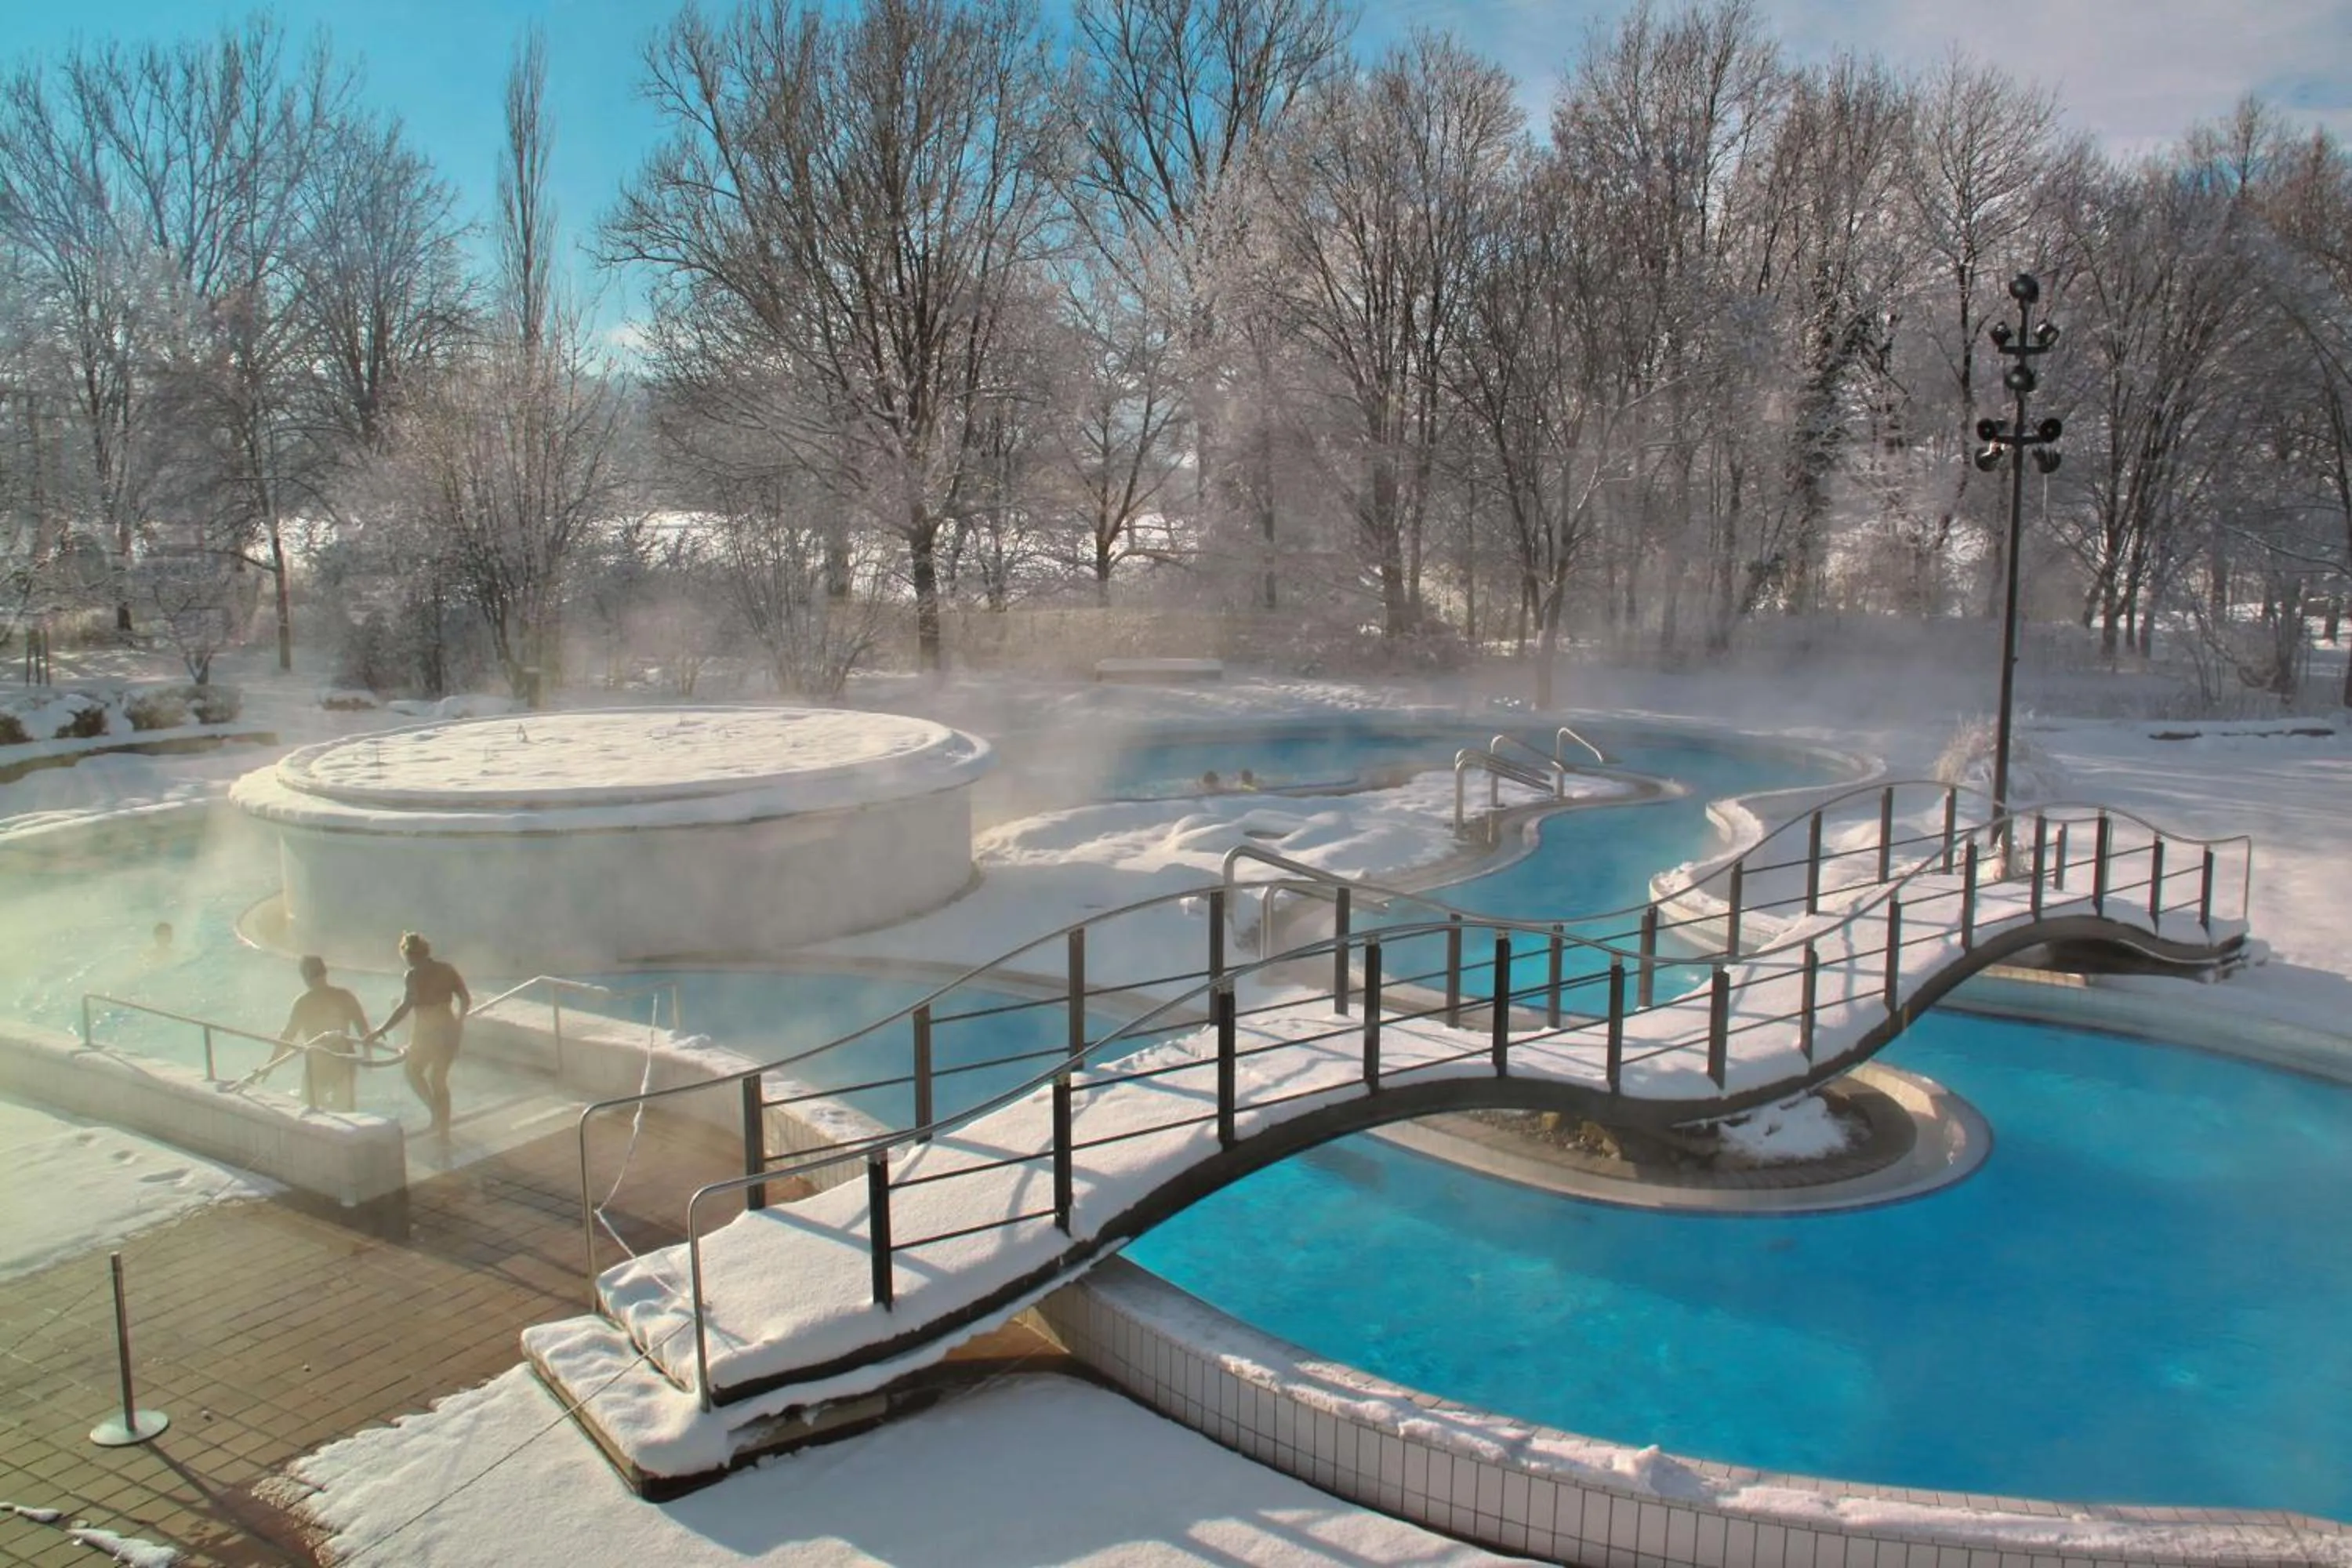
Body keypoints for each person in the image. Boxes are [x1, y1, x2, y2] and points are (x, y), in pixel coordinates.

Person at [368, 932, 470, 1139]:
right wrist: (459, 1022)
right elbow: (465, 998)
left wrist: (381, 1030)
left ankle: (436, 1113)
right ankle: (443, 1129)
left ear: (409, 955)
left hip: (427, 1031)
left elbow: (405, 1007)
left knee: (413, 1072)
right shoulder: (446, 969)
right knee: (438, 1079)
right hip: (448, 1028)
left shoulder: (413, 976)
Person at [281, 955, 370, 1112]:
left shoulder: (303, 1003)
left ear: (304, 977)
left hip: (318, 1063)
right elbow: (364, 1031)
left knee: (309, 1112)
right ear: (325, 972)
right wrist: (368, 1057)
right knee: (346, 1114)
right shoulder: (345, 996)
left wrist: (269, 1065)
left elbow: (287, 1037)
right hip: (343, 1061)